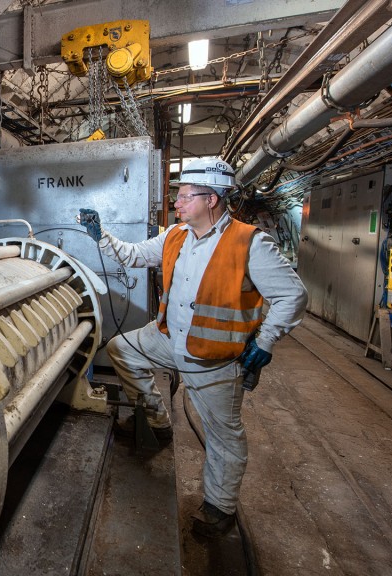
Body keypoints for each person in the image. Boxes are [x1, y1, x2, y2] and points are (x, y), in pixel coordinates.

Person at [77, 156, 308, 538]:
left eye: (185, 197)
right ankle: (156, 419)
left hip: (216, 358)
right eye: (178, 197)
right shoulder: (175, 236)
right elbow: (135, 256)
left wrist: (265, 342)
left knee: (222, 433)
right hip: (169, 339)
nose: (178, 203)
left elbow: (292, 296)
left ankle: (220, 507)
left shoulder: (250, 243)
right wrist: (101, 235)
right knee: (121, 349)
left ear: (212, 199)